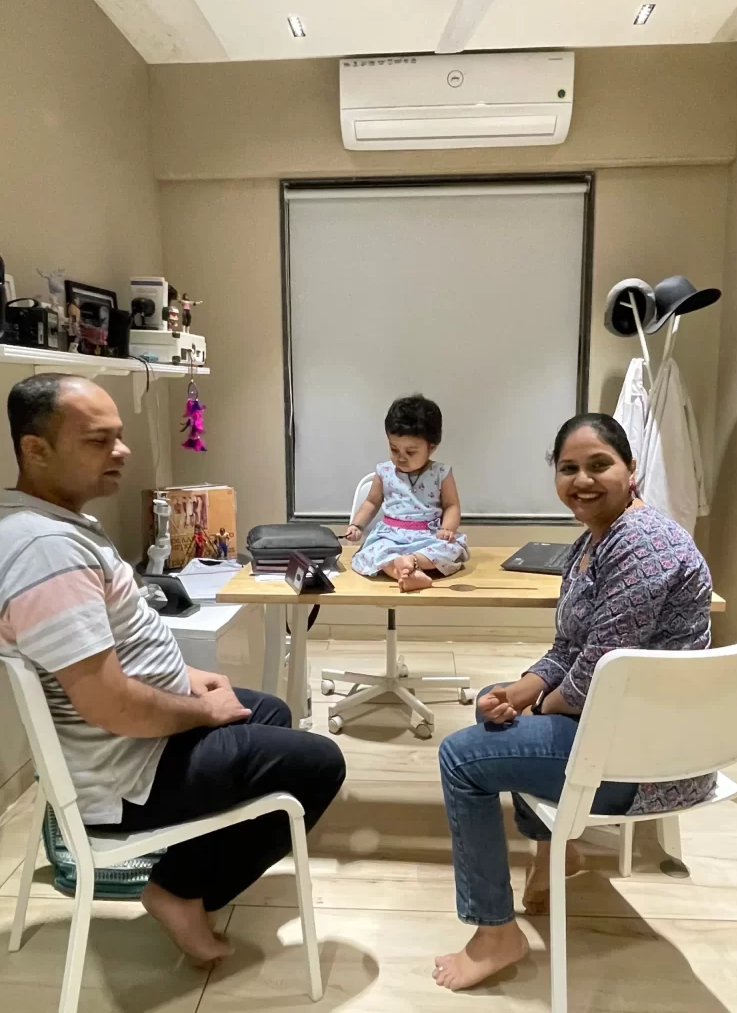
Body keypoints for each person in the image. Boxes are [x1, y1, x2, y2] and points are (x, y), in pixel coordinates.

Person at [0, 373, 346, 966]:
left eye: (119, 435)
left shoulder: (48, 524)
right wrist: (201, 711)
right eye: (98, 440)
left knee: (270, 711)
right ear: (35, 449)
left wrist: (185, 678)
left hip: (129, 748)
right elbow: (110, 705)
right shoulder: (45, 552)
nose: (122, 451)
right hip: (127, 771)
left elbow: (115, 652)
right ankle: (178, 891)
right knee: (320, 763)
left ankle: (194, 867)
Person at [434, 413, 714, 992]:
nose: (582, 480)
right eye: (568, 468)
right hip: (621, 732)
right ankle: (553, 857)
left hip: (647, 760)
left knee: (463, 757)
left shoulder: (642, 545)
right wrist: (521, 688)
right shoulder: (594, 542)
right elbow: (569, 648)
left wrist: (534, 708)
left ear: (631, 470)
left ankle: (495, 933)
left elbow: (594, 678)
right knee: (493, 709)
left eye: (599, 465)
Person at [346, 394, 469, 592]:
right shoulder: (384, 471)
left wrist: (447, 528)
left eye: (410, 452)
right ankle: (405, 572)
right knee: (375, 552)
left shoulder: (441, 473)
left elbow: (451, 505)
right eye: (394, 449)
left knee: (449, 549)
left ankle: (411, 561)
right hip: (390, 536)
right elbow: (371, 502)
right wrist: (356, 525)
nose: (401, 458)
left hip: (428, 535)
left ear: (431, 447)